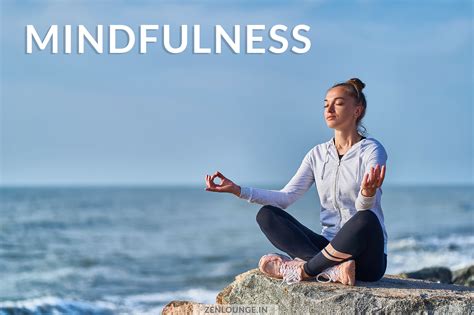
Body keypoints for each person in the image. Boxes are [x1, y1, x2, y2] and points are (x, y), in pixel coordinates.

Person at [204, 78, 388, 286]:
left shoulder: (372, 150)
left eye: (338, 103)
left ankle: (304, 271)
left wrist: (367, 194)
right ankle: (332, 271)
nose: (329, 109)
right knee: (267, 214)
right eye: (326, 104)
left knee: (365, 219)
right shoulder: (317, 154)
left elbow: (365, 207)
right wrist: (239, 190)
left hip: (366, 258)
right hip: (327, 248)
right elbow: (286, 197)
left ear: (357, 110)